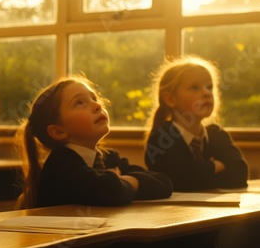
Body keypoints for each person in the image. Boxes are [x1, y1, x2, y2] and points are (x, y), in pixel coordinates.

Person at [16, 75, 173, 209]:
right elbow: (112, 191)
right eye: (79, 103)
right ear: (58, 131)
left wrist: (125, 180)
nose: (97, 106)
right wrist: (120, 181)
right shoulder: (61, 164)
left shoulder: (108, 157)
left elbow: (164, 183)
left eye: (94, 98)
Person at [144, 56, 249, 191]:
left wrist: (201, 172)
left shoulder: (217, 134)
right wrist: (216, 166)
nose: (206, 93)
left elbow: (239, 174)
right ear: (170, 99)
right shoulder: (162, 138)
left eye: (209, 87)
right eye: (194, 88)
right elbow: (181, 180)